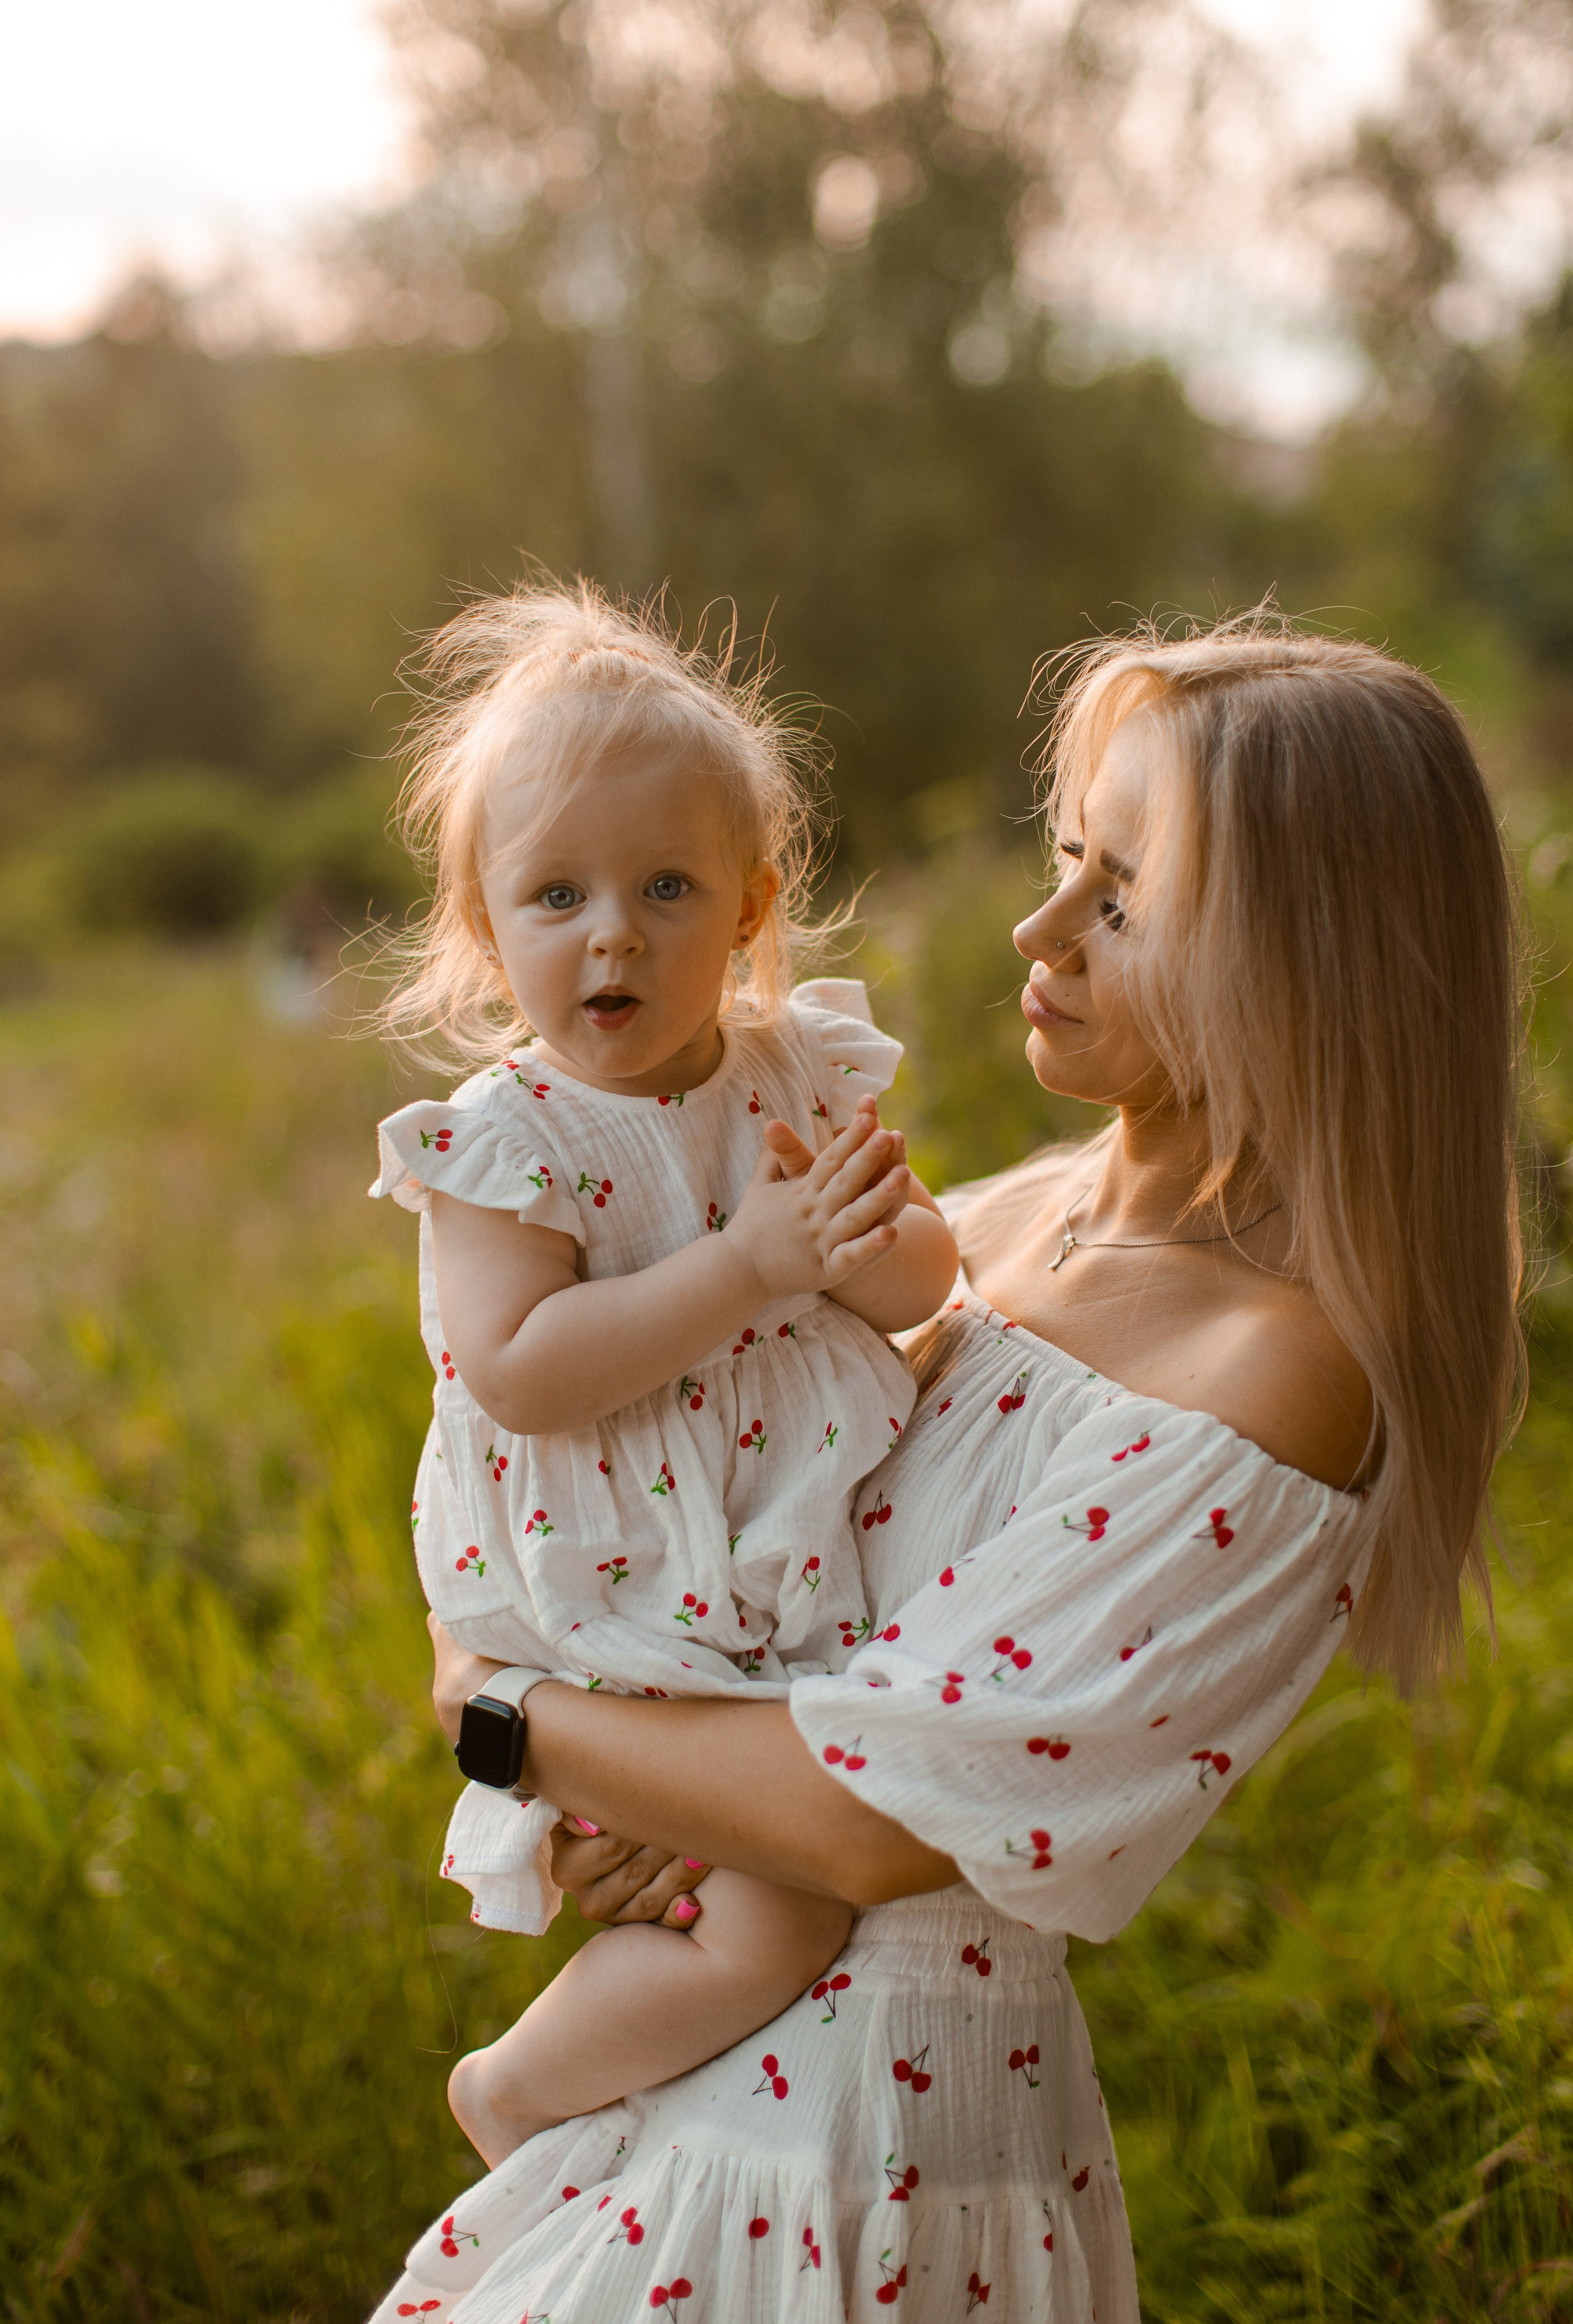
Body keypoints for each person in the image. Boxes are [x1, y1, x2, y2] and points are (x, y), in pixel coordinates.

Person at [371, 615, 1523, 2323]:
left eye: (1123, 903)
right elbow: (654, 1500)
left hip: (859, 2165)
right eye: (1069, 861)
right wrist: (601, 1790)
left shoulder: (1273, 1371)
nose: (1037, 928)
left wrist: (508, 1718)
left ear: (1302, 961)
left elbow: (860, 1816)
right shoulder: (999, 1221)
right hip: (676, 2091)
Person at [369, 582, 959, 2167]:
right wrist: (747, 1268)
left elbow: (920, 1279)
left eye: (667, 885)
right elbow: (521, 1372)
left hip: (768, 1553)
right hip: (614, 1572)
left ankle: (685, 2133)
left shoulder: (791, 1073)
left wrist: (854, 1235)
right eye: (555, 894)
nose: (612, 930)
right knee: (769, 1925)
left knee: (791, 1890)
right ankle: (518, 2092)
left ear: (754, 909)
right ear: (489, 931)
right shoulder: (507, 1143)